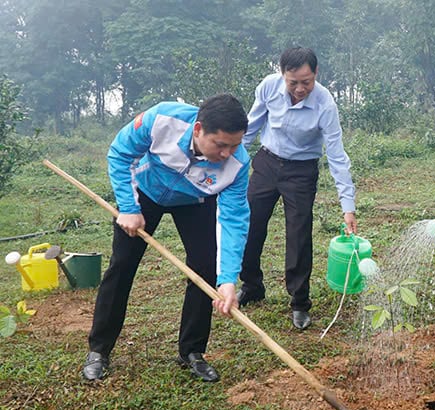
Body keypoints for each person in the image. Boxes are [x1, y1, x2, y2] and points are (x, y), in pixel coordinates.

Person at [81, 94, 251, 383]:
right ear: (198, 129)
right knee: (122, 266)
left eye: (234, 145)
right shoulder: (160, 119)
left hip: (196, 201)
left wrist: (229, 279)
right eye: (221, 145)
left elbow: (234, 220)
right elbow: (120, 153)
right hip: (146, 192)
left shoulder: (238, 164)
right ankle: (99, 350)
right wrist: (129, 208)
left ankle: (192, 352)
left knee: (204, 268)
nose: (227, 154)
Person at [236, 47, 357, 330]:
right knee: (249, 224)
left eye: (307, 81)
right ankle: (252, 285)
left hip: (301, 171)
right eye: (294, 82)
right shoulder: (268, 87)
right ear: (282, 75)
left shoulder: (325, 104)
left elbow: (337, 155)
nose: (300, 88)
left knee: (299, 234)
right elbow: (250, 129)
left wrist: (347, 206)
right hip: (266, 163)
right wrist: (229, 169)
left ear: (316, 74)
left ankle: (299, 303)